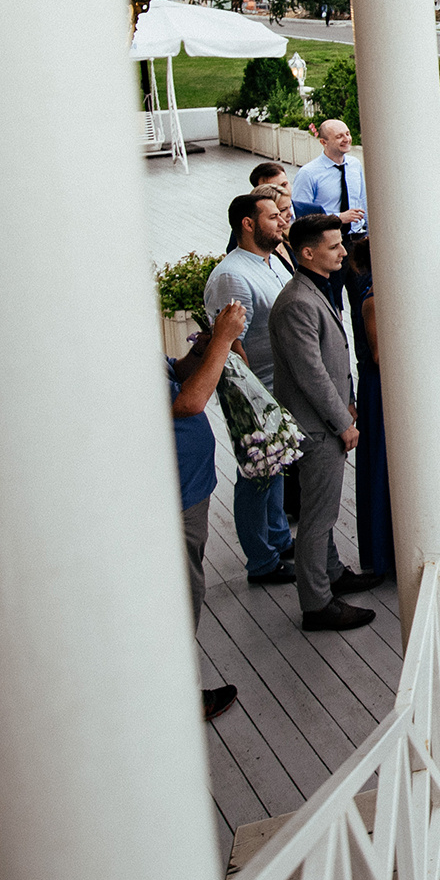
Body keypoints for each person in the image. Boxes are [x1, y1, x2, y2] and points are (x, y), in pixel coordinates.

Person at [269, 215, 388, 630]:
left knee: (325, 511)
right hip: (315, 426)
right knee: (317, 519)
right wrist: (342, 421)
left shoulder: (314, 290)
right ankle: (317, 603)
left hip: (328, 417)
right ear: (307, 253)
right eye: (335, 245)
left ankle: (333, 573)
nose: (343, 251)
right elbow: (311, 374)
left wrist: (349, 401)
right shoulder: (298, 302)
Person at [205, 191, 298, 588]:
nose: (282, 221)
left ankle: (278, 539)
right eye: (273, 216)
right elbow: (232, 343)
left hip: (282, 382)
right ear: (248, 223)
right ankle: (261, 560)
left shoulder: (272, 259)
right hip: (256, 391)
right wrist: (254, 401)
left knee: (274, 468)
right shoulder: (232, 275)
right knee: (256, 474)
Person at [170, 298, 248, 721]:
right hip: (174, 498)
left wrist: (201, 350)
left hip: (190, 491)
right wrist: (221, 340)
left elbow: (176, 375)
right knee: (183, 594)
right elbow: (188, 402)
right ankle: (179, 697)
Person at [342, 233, 393, 578]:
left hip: (390, 384)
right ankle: (383, 553)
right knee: (381, 466)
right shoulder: (374, 300)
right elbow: (378, 355)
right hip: (379, 387)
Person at [290, 120, 368, 228]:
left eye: (347, 134)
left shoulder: (355, 165)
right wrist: (337, 217)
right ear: (323, 142)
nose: (346, 139)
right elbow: (300, 214)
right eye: (339, 136)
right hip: (326, 238)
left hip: (357, 235)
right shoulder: (307, 173)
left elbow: (363, 200)